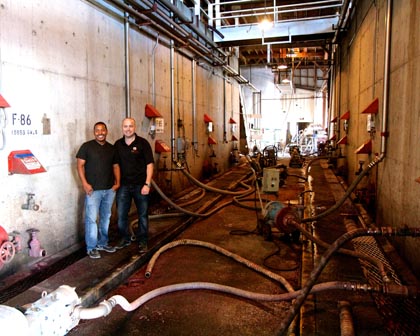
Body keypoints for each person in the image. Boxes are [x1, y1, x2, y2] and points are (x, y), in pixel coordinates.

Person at [76, 122, 120, 259]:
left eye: (102, 130)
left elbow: (116, 166)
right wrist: (85, 184)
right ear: (94, 132)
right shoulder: (86, 147)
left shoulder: (112, 149)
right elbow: (80, 165)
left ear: (107, 131)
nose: (100, 132)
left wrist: (117, 183)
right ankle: (91, 247)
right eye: (97, 130)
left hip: (109, 190)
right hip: (93, 191)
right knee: (91, 219)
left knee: (105, 217)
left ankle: (103, 243)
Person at [114, 118, 154, 253]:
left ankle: (143, 240)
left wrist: (147, 184)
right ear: (122, 127)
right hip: (123, 187)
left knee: (142, 215)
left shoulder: (143, 143)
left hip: (140, 186)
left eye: (130, 126)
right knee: (121, 216)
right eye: (125, 126)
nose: (128, 129)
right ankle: (125, 238)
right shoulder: (118, 145)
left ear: (134, 127)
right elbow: (115, 165)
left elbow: (149, 165)